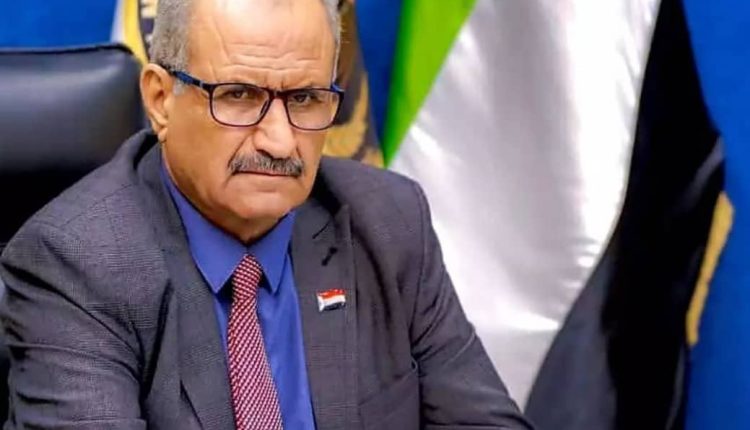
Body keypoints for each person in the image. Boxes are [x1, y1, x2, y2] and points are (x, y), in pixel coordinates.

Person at [0, 0, 532, 428]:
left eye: (304, 99)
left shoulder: (388, 221)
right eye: (238, 95)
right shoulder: (76, 263)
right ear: (161, 100)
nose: (279, 141)